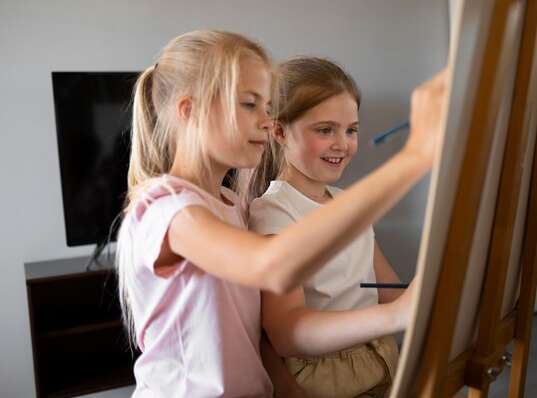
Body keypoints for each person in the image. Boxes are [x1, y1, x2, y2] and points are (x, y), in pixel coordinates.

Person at [116, 28, 447, 398]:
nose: (264, 120)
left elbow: (255, 331)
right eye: (248, 104)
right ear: (189, 110)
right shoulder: (167, 208)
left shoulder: (231, 205)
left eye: (268, 107)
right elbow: (272, 267)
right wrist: (416, 156)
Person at [245, 56, 410, 398]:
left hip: (381, 355)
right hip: (327, 376)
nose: (342, 143)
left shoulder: (348, 201)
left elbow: (386, 286)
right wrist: (395, 314)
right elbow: (286, 331)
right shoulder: (274, 213)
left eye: (351, 130)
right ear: (278, 131)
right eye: (325, 130)